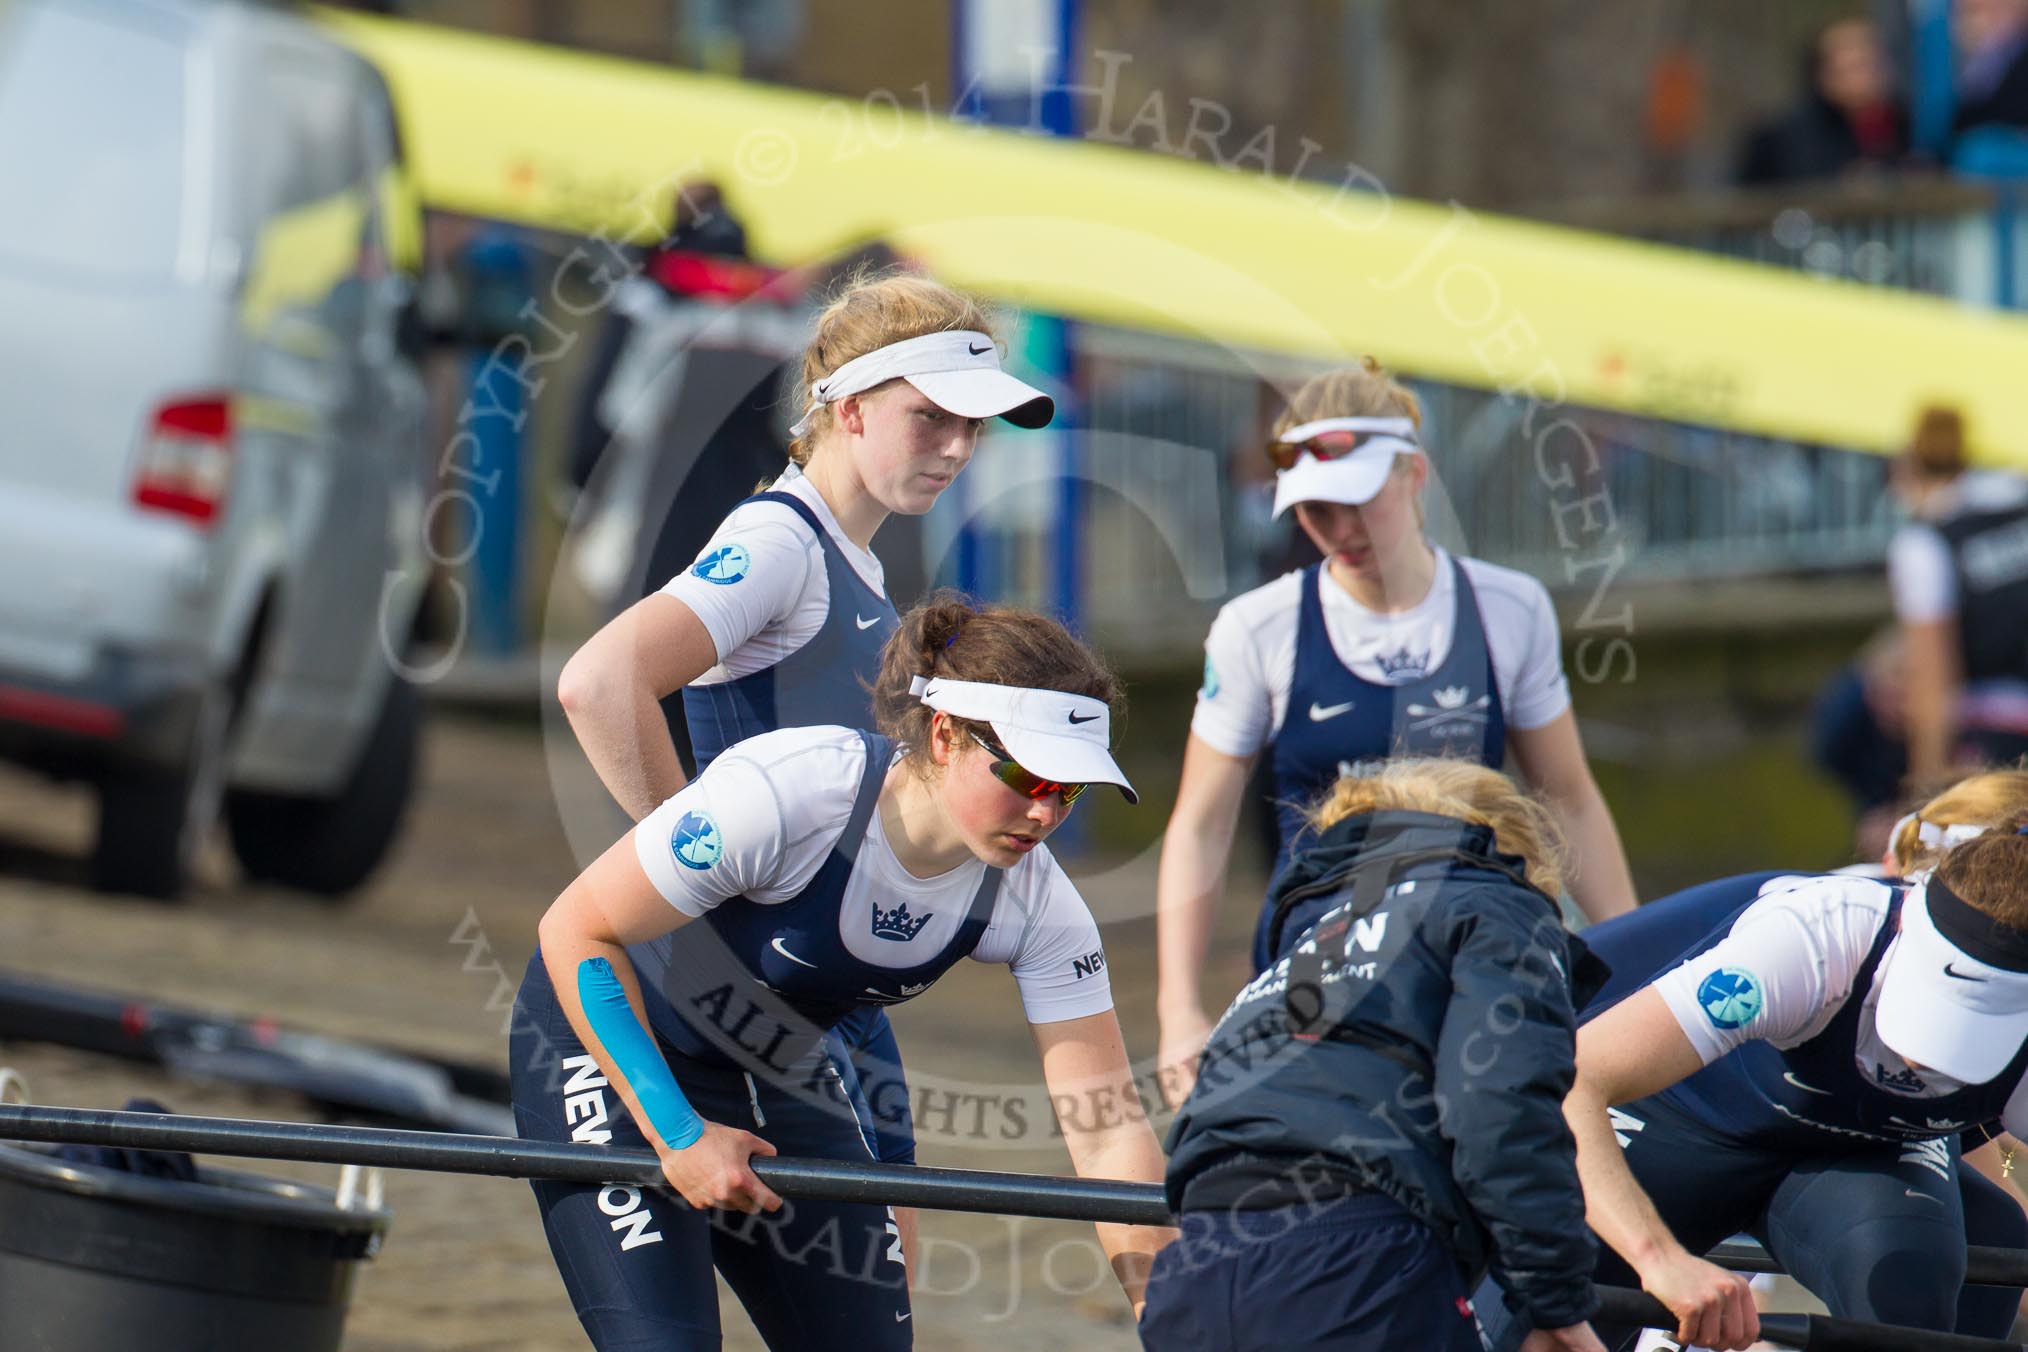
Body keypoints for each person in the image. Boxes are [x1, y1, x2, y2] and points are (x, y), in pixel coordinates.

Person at [555, 271, 1055, 1265]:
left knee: (888, 1293)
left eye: (976, 427)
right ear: (851, 406)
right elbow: (600, 680)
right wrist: (704, 884)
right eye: (932, 419)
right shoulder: (779, 541)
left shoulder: (858, 563)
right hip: (762, 983)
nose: (957, 448)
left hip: (837, 993)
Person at [516, 597, 1174, 1349]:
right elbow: (575, 930)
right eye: (1030, 776)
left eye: (1072, 789)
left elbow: (1110, 1133)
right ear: (946, 734)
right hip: (611, 1040)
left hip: (776, 1063)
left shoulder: (1040, 904)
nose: (1047, 812)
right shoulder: (793, 794)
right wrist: (676, 1133)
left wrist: (1170, 1316)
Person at [1155, 358, 1638, 1105]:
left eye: (1359, 501)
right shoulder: (1258, 626)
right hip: (1321, 958)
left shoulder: (1511, 609)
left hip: (1475, 947)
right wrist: (1178, 1009)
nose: (1340, 529)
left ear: (1416, 474)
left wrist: (1632, 963)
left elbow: (1569, 798)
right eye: (1316, 510)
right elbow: (1201, 825)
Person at [1476, 768, 2028, 1351]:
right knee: (1542, 1308)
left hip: (1858, 1155)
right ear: (1910, 922)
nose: (1924, 1061)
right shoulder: (1818, 941)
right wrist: (1659, 1260)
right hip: (1682, 1121)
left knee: (1924, 1290)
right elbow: (1572, 1081)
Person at [1143, 758, 1611, 1352]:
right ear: (1515, 851)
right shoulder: (1498, 904)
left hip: (1197, 1269)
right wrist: (1557, 1301)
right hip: (1354, 1256)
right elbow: (1499, 1106)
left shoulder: (1303, 949)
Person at [1887, 404, 2028, 787]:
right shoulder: (2017, 497)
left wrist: (1925, 791)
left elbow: (1933, 678)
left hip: (1998, 736)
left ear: (1907, 467)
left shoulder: (1925, 542)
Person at [1735, 16, 1907, 186]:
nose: (1869, 77)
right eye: (1855, 67)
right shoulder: (1780, 139)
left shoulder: (1908, 125)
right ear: (1823, 75)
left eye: (1875, 63)